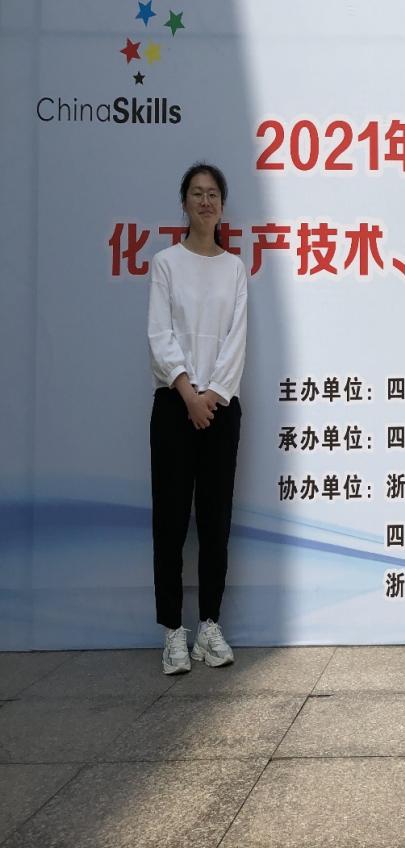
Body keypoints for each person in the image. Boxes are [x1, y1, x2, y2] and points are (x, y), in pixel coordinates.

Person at [148, 162, 247, 675]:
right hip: (174, 404)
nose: (205, 201)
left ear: (222, 206)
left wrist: (212, 396)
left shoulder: (234, 268)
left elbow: (236, 339)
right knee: (169, 521)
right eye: (196, 193)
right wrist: (188, 392)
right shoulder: (165, 263)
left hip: (221, 407)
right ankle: (173, 631)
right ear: (184, 203)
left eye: (213, 194)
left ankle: (209, 625)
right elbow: (159, 335)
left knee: (215, 521)